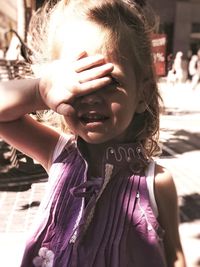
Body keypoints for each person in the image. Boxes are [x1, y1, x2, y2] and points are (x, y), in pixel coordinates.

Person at [0, 0, 186, 266]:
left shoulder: (156, 182)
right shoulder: (58, 155)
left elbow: (175, 257)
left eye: (109, 81)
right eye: (77, 83)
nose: (91, 97)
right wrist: (40, 90)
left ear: (142, 93)